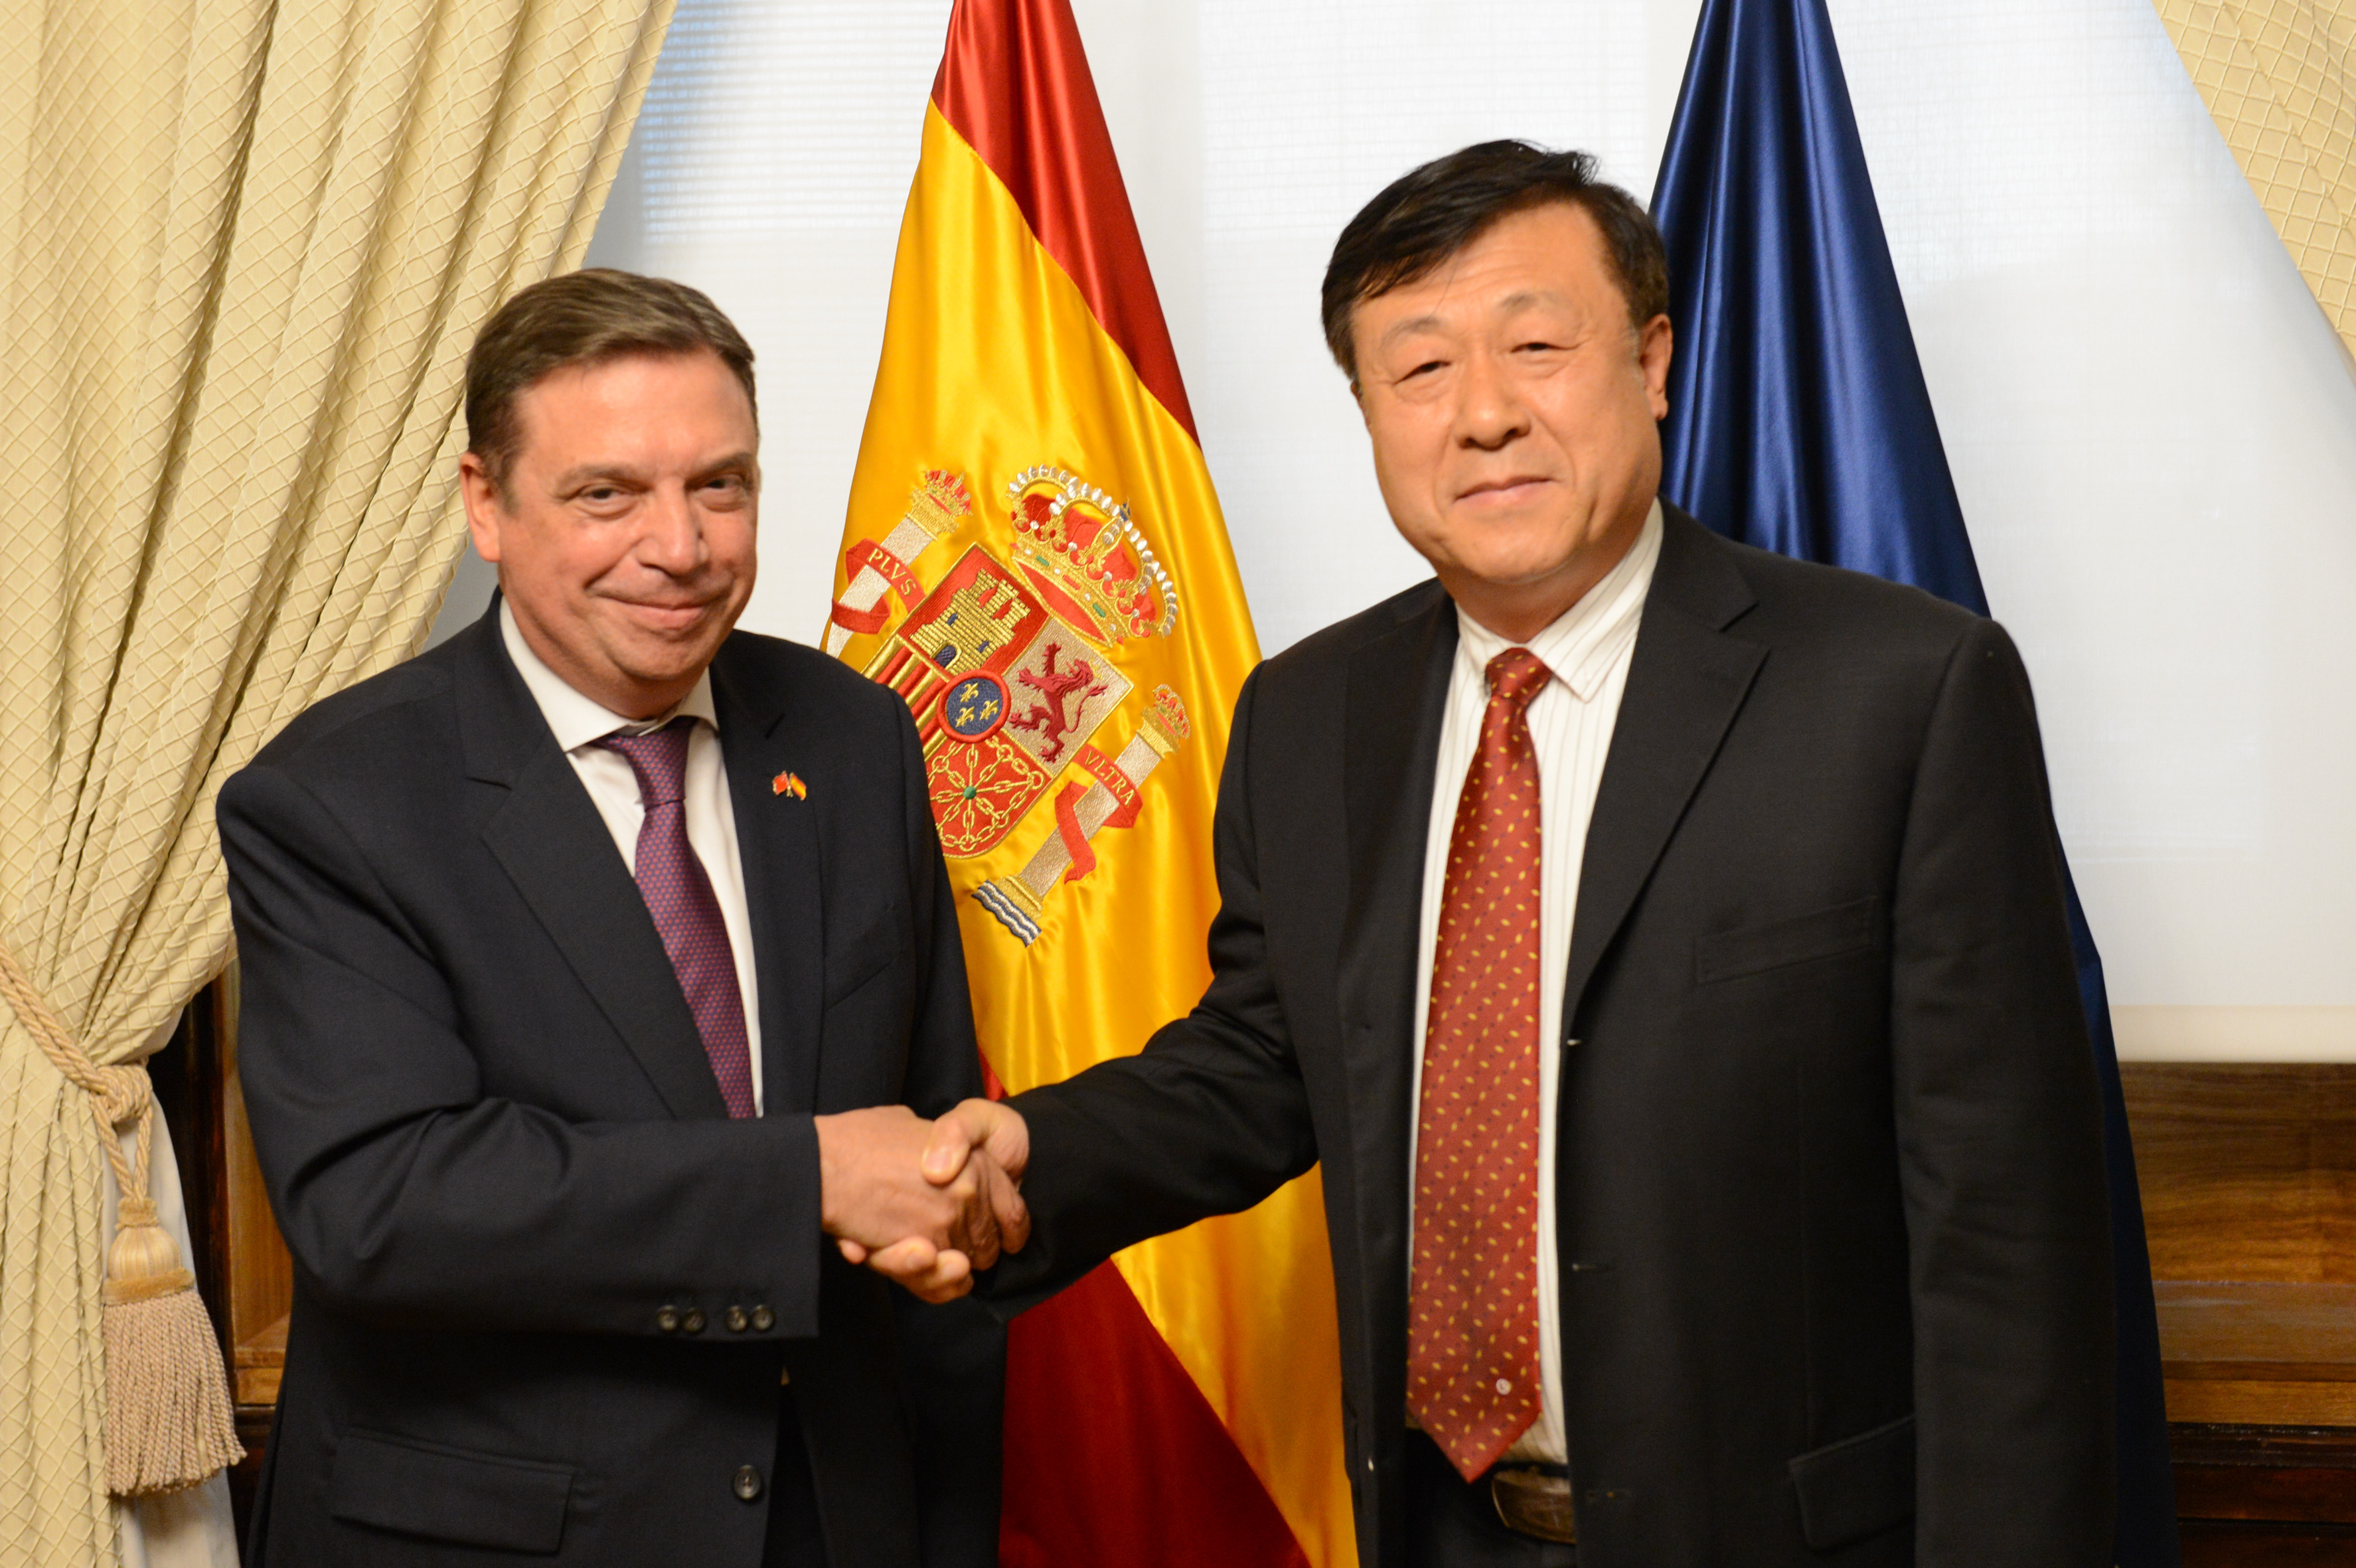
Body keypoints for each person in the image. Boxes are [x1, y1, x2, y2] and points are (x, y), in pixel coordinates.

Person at [894, 143, 2116, 1566]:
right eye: (1418, 369)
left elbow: (2006, 1234)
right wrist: (1028, 1156)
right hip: (1436, 1523)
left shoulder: (1900, 690)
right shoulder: (1308, 712)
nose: (1482, 415)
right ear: (1368, 413)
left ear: (1651, 362)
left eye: (1535, 346)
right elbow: (1267, 1059)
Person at [217, 269, 1016, 1568]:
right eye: (607, 494)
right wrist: (806, 1178)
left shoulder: (852, 737)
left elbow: (924, 1172)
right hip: (500, 1540)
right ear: (486, 503)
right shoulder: (335, 796)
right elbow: (384, 1202)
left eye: (720, 484)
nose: (681, 546)